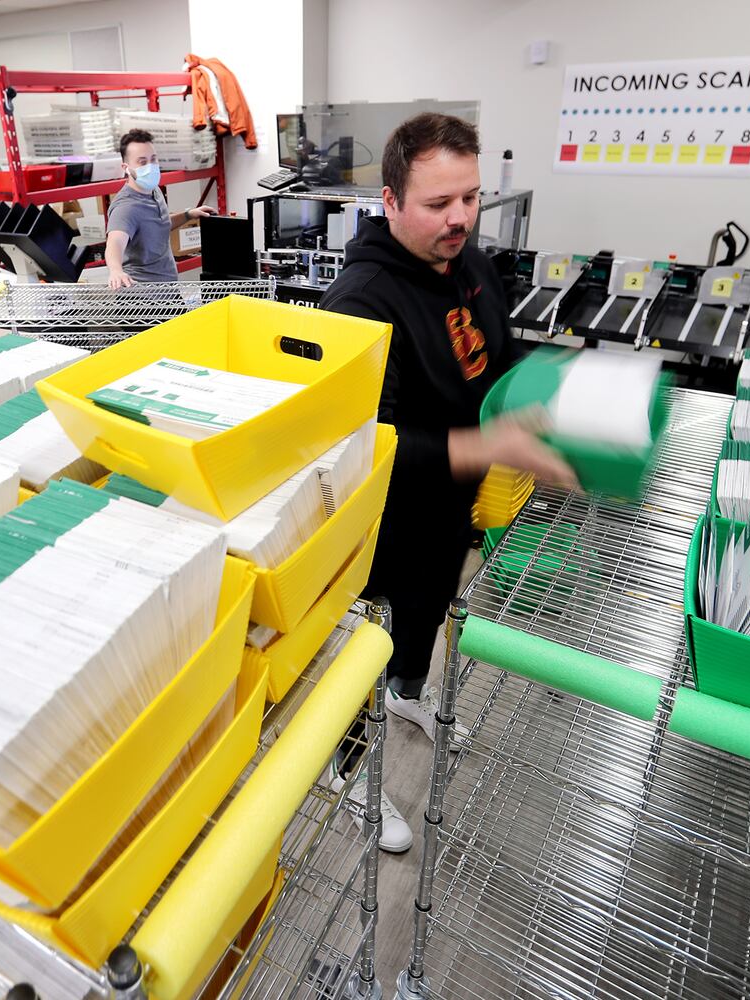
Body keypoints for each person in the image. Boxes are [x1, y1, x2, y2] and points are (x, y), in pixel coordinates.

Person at [320, 112, 579, 851]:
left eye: (469, 197)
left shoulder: (470, 263)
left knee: (427, 616)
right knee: (366, 646)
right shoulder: (362, 303)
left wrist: (547, 388)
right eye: (438, 203)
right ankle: (347, 768)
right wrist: (486, 444)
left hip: (449, 509)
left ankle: (408, 696)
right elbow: (365, 448)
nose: (460, 217)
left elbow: (495, 355)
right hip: (385, 527)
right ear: (391, 201)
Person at [106, 129, 215, 289]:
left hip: (168, 289)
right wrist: (115, 270)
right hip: (143, 295)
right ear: (126, 167)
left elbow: (158, 225)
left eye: (153, 159)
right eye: (142, 162)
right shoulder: (125, 207)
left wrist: (188, 215)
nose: (150, 166)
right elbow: (115, 242)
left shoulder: (154, 190)